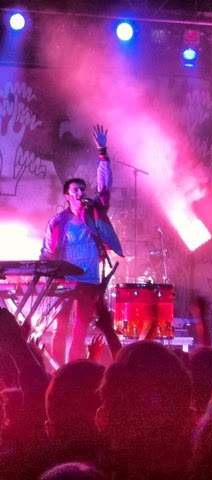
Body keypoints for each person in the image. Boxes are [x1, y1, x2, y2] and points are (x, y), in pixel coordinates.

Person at [40, 125, 123, 365]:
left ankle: (74, 373)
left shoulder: (93, 213)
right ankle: (58, 371)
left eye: (83, 189)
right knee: (60, 330)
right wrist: (44, 274)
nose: (80, 193)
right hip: (65, 282)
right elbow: (46, 252)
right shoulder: (57, 222)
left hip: (89, 281)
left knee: (79, 332)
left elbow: (105, 187)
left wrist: (102, 152)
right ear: (67, 196)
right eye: (75, 190)